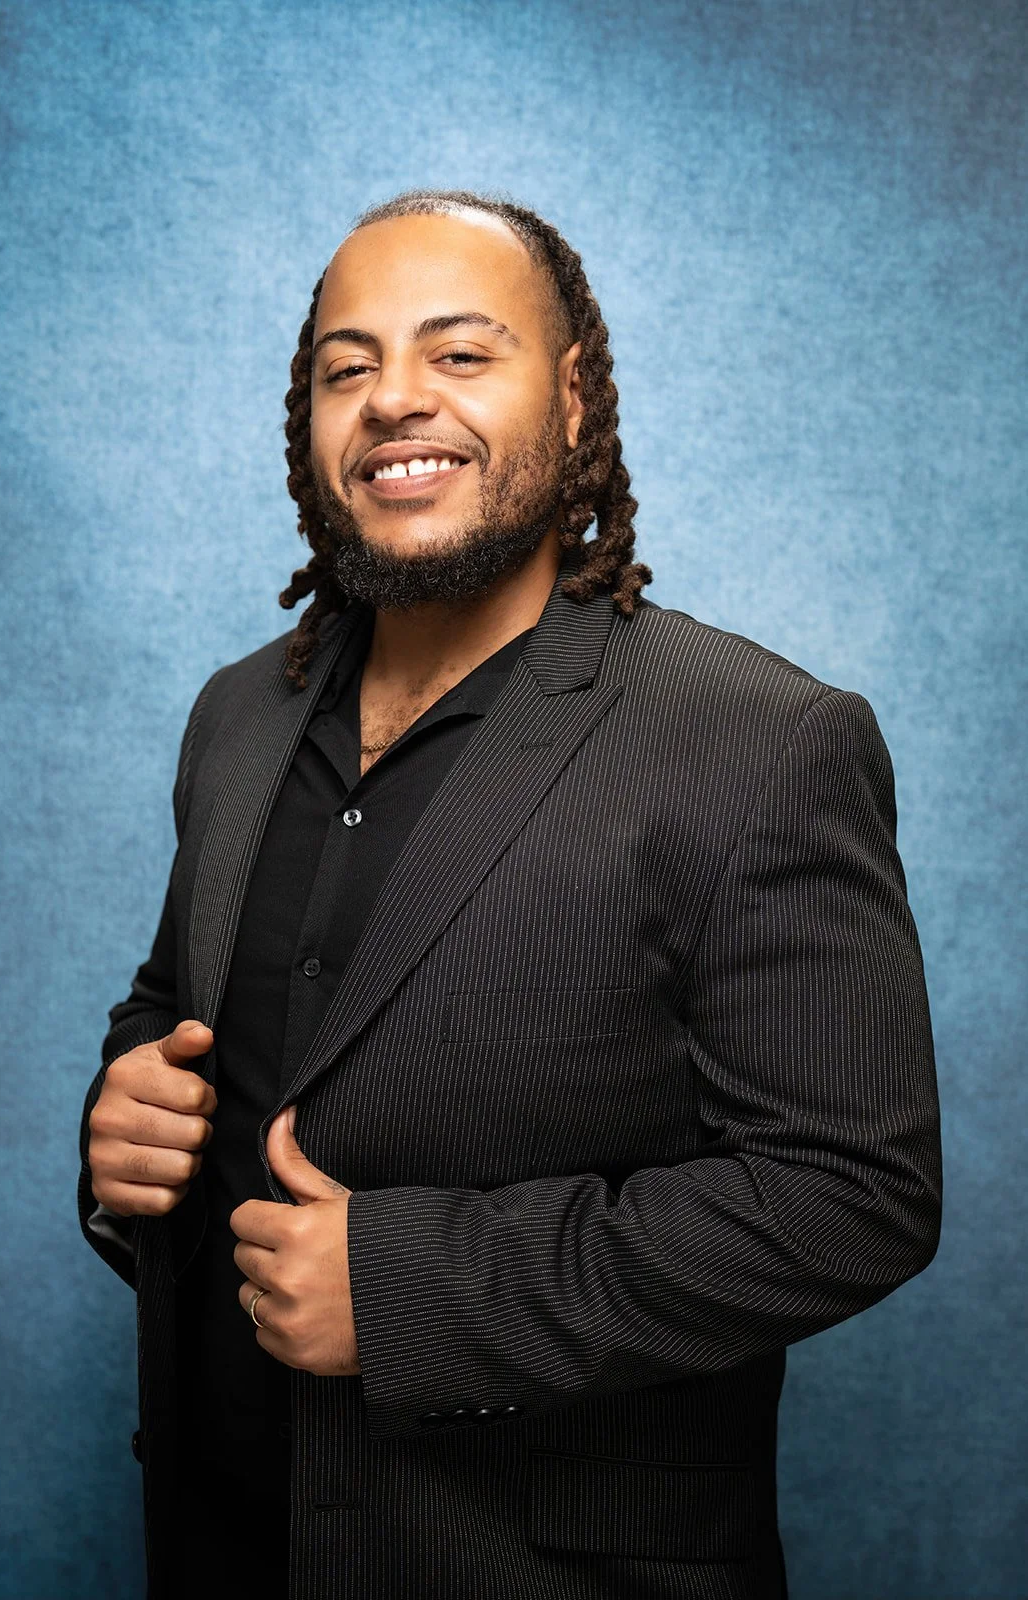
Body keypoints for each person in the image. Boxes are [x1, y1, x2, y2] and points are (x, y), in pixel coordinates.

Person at [77, 189, 942, 1600]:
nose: (392, 399)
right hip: (216, 1544)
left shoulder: (758, 740)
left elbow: (854, 1193)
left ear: (574, 395)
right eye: (346, 367)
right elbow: (174, 1007)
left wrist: (411, 1295)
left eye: (460, 354)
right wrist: (123, 1120)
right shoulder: (238, 713)